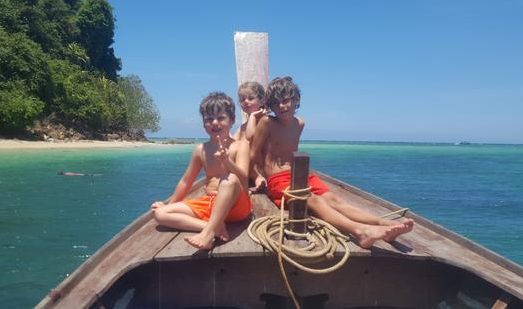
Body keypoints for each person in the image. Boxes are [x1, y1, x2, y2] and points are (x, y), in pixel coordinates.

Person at [251, 76, 414, 248]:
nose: (282, 106)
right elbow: (253, 153)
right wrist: (255, 178)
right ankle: (360, 231)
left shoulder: (299, 123)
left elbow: (291, 151)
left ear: (296, 100)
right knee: (313, 200)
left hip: (300, 175)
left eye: (285, 101)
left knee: (335, 200)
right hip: (277, 180)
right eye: (276, 103)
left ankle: (381, 223)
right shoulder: (267, 122)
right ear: (270, 106)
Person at [151, 92, 251, 250]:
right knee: (160, 214)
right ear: (204, 124)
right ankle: (214, 226)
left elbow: (244, 177)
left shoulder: (241, 146)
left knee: (229, 178)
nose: (215, 123)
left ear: (231, 120)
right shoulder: (201, 150)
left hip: (237, 207)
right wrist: (168, 204)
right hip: (211, 204)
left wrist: (227, 161)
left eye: (221, 118)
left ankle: (208, 233)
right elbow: (186, 181)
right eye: (209, 119)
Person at [234, 81, 269, 191]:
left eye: (250, 98)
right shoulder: (242, 127)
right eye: (242, 99)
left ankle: (257, 177)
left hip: (262, 167)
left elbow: (250, 136)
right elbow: (232, 144)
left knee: (244, 143)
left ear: (262, 100)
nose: (246, 101)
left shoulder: (266, 121)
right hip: (246, 167)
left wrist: (253, 116)